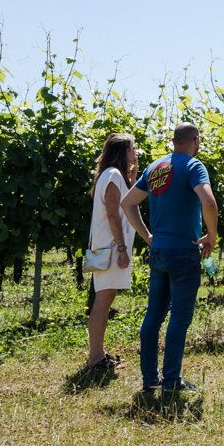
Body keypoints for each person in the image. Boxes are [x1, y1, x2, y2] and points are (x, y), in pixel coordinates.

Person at [120, 123, 218, 395]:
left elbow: (128, 203)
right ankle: (172, 380)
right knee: (179, 319)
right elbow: (208, 202)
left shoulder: (155, 167)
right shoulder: (193, 166)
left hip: (159, 250)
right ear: (195, 140)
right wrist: (212, 236)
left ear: (173, 141)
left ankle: (150, 378)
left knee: (153, 316)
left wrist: (148, 236)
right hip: (184, 252)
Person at [87, 133, 138, 373]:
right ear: (122, 152)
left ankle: (97, 354)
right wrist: (121, 248)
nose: (135, 152)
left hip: (106, 249)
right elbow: (112, 214)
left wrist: (134, 175)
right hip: (110, 250)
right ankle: (95, 357)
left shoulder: (112, 175)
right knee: (102, 302)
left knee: (103, 301)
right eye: (132, 149)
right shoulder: (113, 175)